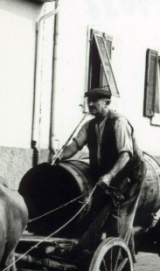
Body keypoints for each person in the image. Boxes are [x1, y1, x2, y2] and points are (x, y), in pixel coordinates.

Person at [58, 87, 146, 252]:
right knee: (97, 214)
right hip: (107, 175)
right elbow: (75, 145)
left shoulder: (119, 123)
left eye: (95, 100)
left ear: (107, 103)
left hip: (130, 174)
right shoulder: (89, 125)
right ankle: (100, 253)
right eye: (89, 100)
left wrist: (109, 176)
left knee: (119, 216)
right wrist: (59, 156)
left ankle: (121, 258)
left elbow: (125, 155)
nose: (90, 104)